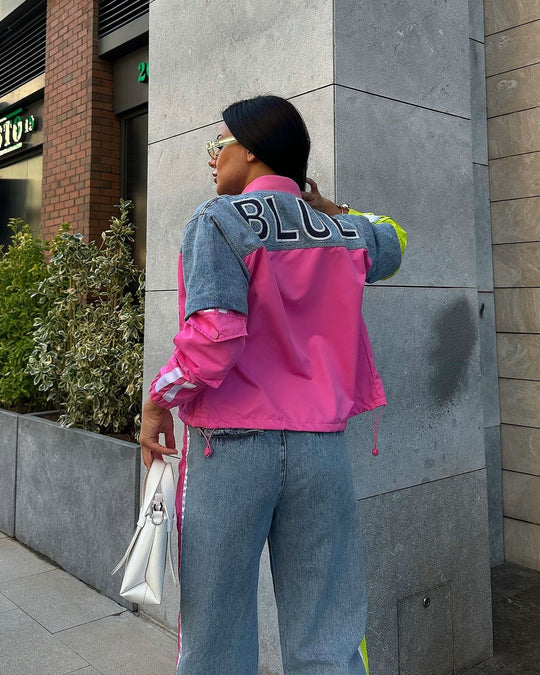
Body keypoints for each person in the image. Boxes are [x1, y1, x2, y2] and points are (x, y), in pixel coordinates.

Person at [140, 95, 406, 675]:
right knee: (328, 633)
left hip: (231, 448)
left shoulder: (218, 221)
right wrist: (329, 207)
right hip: (321, 452)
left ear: (252, 150)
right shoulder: (343, 232)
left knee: (215, 635)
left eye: (219, 145)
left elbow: (215, 337)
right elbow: (394, 242)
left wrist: (157, 399)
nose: (212, 158)